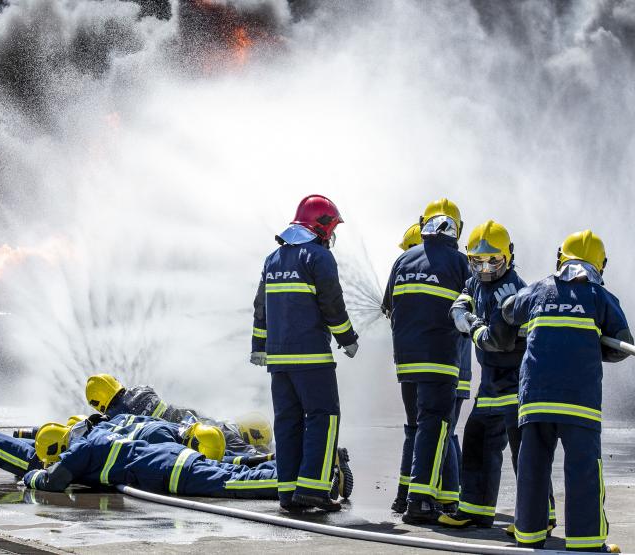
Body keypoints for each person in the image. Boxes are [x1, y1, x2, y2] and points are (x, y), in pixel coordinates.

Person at [501, 230, 631, 553]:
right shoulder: (600, 297)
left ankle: (528, 537)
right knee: (584, 471)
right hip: (579, 404)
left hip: (535, 402)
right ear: (600, 266)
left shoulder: (538, 290)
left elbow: (508, 311)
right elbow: (623, 344)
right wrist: (591, 344)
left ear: (561, 258)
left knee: (531, 469)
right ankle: (586, 544)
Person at [250, 194, 358, 512]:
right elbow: (332, 305)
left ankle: (288, 492)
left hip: (279, 362)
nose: (332, 235)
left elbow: (261, 308)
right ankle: (313, 489)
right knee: (323, 417)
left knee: (287, 422)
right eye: (332, 227)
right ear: (322, 226)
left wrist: (259, 347)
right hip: (312, 358)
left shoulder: (273, 259)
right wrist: (347, 338)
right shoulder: (319, 258)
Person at [447, 220, 556, 531]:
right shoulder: (476, 284)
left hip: (518, 380)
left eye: (493, 260)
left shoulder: (513, 291)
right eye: (476, 261)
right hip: (491, 382)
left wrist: (471, 325)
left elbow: (499, 341)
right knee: (478, 439)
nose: (484, 268)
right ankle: (475, 509)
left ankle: (541, 517)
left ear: (508, 255)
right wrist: (462, 312)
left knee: (525, 450)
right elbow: (460, 305)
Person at [383, 198, 469, 526]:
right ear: (456, 230)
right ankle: (420, 501)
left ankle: (408, 494)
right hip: (442, 360)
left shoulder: (402, 259)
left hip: (406, 362)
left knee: (416, 427)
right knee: (435, 426)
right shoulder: (461, 264)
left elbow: (388, 306)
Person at [23, 421, 282, 500]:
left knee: (235, 484)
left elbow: (54, 482)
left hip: (171, 471)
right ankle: (295, 470)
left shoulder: (80, 450)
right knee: (231, 471)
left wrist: (30, 476)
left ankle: (294, 483)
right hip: (174, 456)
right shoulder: (101, 435)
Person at [85, 373, 272, 455]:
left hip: (176, 434)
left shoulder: (115, 416)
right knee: (221, 431)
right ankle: (257, 452)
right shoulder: (142, 389)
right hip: (184, 416)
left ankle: (254, 456)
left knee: (217, 447)